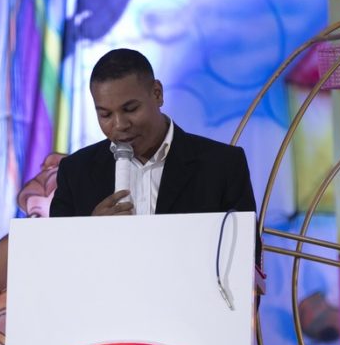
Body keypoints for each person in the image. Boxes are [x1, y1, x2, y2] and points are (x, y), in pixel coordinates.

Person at [49, 48, 258, 220]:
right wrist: (89, 232)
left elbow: (246, 251)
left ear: (157, 93)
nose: (120, 125)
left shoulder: (222, 166)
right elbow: (56, 254)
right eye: (105, 114)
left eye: (130, 109)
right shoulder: (75, 172)